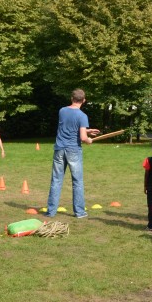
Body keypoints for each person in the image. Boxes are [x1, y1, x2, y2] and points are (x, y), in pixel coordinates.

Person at [45, 89, 100, 218]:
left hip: (59, 148)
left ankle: (51, 211)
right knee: (77, 181)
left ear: (71, 98)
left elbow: (69, 127)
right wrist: (88, 139)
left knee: (56, 180)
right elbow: (82, 137)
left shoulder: (62, 111)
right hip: (73, 150)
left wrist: (87, 130)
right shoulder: (82, 116)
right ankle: (79, 212)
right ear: (84, 100)